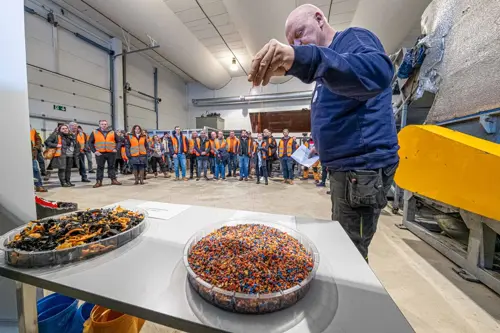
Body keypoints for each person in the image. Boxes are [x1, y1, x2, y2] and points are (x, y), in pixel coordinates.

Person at [247, 4, 399, 260]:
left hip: (360, 169)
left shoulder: (353, 38)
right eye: (292, 41)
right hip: (345, 170)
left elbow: (378, 71)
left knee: (349, 252)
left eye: (299, 32)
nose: (298, 42)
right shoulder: (327, 71)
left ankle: (353, 295)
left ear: (319, 19)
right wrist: (321, 142)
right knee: (342, 238)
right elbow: (339, 110)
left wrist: (304, 58)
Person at [88, 119, 122, 188]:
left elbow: (119, 141)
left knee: (111, 166)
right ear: (99, 125)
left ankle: (113, 180)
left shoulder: (112, 132)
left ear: (107, 125)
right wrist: (95, 151)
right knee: (100, 167)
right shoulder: (95, 132)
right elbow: (90, 142)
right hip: (100, 153)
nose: (104, 125)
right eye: (102, 124)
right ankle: (99, 182)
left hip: (111, 153)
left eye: (105, 124)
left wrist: (116, 149)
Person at [30, 126, 47, 192]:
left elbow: (38, 140)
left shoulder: (32, 130)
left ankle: (38, 186)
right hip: (21, 154)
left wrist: (36, 147)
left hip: (32, 154)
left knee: (35, 169)